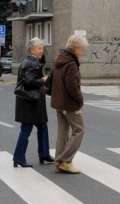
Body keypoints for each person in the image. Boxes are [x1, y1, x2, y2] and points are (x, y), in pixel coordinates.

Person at [48, 35, 88, 174]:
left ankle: (59, 164)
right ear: (75, 48)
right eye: (82, 49)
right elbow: (72, 87)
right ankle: (64, 160)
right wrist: (80, 99)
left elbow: (51, 79)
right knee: (79, 130)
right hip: (69, 103)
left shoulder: (59, 59)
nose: (82, 52)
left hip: (58, 102)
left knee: (62, 132)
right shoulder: (71, 63)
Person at [13, 37, 54, 168]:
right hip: (29, 102)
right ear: (31, 49)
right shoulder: (31, 62)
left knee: (42, 126)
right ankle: (19, 157)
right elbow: (29, 82)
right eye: (39, 48)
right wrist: (43, 79)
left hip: (32, 101)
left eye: (42, 48)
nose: (42, 51)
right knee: (26, 129)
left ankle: (44, 154)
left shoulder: (33, 61)